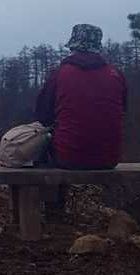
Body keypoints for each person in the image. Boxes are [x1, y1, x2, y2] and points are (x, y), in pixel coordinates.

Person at [34, 23, 128, 219]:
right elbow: (123, 110)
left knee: (42, 148)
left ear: (73, 46)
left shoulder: (60, 73)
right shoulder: (116, 74)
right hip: (109, 158)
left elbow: (42, 116)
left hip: (69, 157)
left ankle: (54, 213)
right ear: (98, 47)